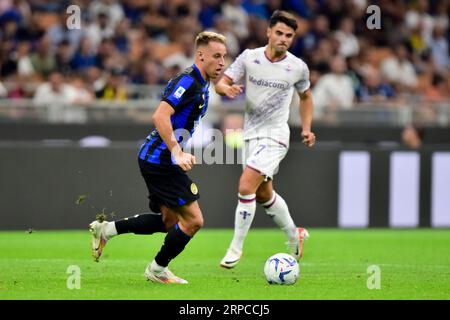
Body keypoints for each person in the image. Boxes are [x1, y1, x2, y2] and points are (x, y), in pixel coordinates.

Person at [89, 31, 227, 284]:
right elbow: (160, 116)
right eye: (216, 56)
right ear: (200, 55)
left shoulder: (202, 81)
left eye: (224, 57)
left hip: (157, 158)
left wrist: (227, 86)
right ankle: (157, 269)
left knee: (169, 221)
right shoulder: (188, 82)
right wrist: (176, 150)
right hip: (161, 160)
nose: (221, 62)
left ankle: (106, 230)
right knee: (194, 220)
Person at [215, 10, 315, 269]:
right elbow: (221, 83)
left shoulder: (297, 67)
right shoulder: (249, 58)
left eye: (289, 36)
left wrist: (306, 128)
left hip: (276, 136)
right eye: (279, 33)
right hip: (250, 135)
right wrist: (227, 88)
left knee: (246, 185)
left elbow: (306, 97)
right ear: (269, 32)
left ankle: (235, 249)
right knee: (263, 193)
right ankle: (295, 234)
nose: (283, 39)